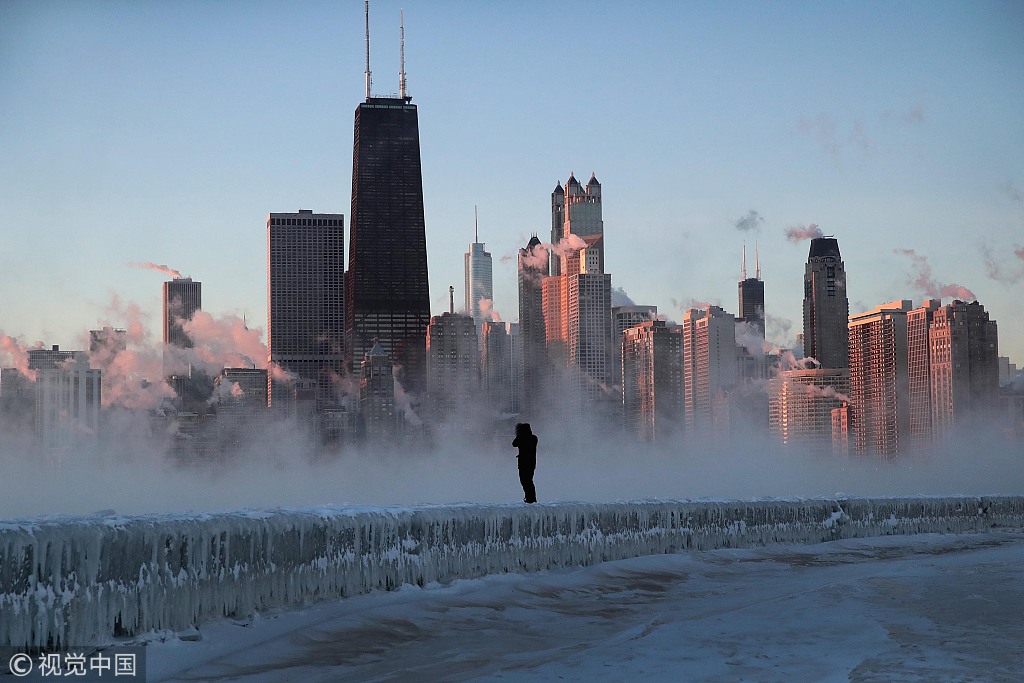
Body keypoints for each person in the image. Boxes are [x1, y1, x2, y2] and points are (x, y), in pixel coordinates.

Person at [512, 423, 538, 503]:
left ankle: (530, 498)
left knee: (524, 481)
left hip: (523, 463)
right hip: (532, 463)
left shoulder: (520, 438)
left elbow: (514, 444)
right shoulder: (534, 438)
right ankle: (531, 498)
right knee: (529, 481)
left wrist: (518, 435)